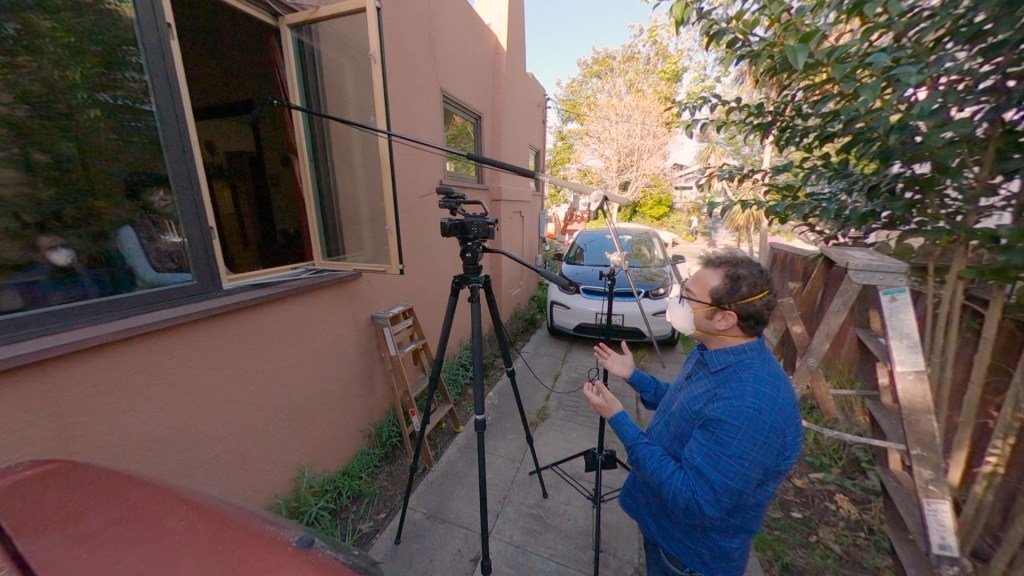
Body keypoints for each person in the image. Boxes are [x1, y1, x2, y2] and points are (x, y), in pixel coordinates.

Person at [581, 251, 802, 576]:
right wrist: (633, 376)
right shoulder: (714, 352)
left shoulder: (749, 404)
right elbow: (685, 406)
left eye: (688, 297)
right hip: (664, 530)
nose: (677, 301)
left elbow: (695, 500)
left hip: (686, 556)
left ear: (725, 318)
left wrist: (619, 418)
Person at [116, 172, 192, 288]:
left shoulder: (187, 223)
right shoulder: (128, 232)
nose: (164, 198)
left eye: (167, 192)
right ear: (140, 201)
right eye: (153, 194)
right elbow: (147, 277)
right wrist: (195, 278)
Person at [1, 234, 101, 313]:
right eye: (52, 248)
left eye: (64, 246)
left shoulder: (89, 274)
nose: (62, 251)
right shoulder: (24, 282)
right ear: (38, 256)